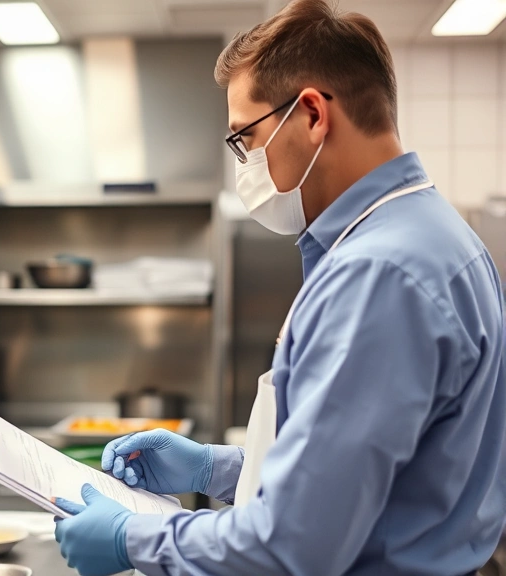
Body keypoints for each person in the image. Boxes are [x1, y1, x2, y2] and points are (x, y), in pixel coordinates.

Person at [53, 1, 506, 575]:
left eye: (245, 138)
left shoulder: (379, 275)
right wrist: (216, 470)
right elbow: (375, 485)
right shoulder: (436, 238)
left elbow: (296, 543)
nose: (245, 164)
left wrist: (132, 539)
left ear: (313, 113)